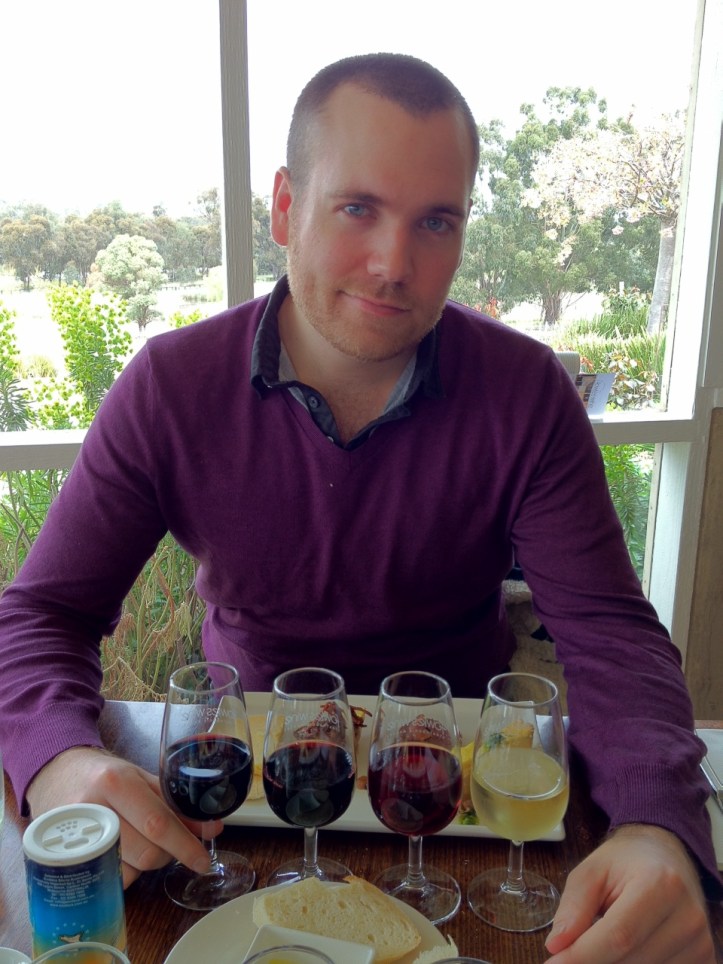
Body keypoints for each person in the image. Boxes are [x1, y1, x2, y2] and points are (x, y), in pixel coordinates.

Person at [0, 52, 719, 962]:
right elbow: (41, 614)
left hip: (464, 814)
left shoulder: (525, 393)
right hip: (233, 820)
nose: (393, 265)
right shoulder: (171, 387)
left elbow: (610, 634)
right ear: (284, 208)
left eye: (435, 222)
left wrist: (657, 825)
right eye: (357, 209)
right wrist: (59, 758)